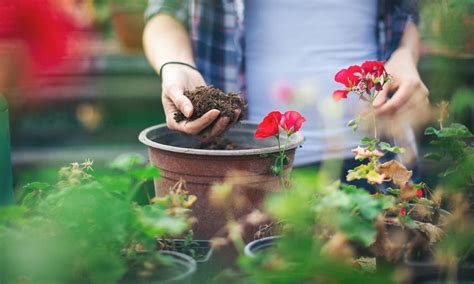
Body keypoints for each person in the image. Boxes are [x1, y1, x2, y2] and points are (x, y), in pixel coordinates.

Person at [142, 0, 429, 168]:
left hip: (380, 162)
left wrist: (405, 57)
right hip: (250, 165)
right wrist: (176, 64)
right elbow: (165, 11)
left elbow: (406, 16)